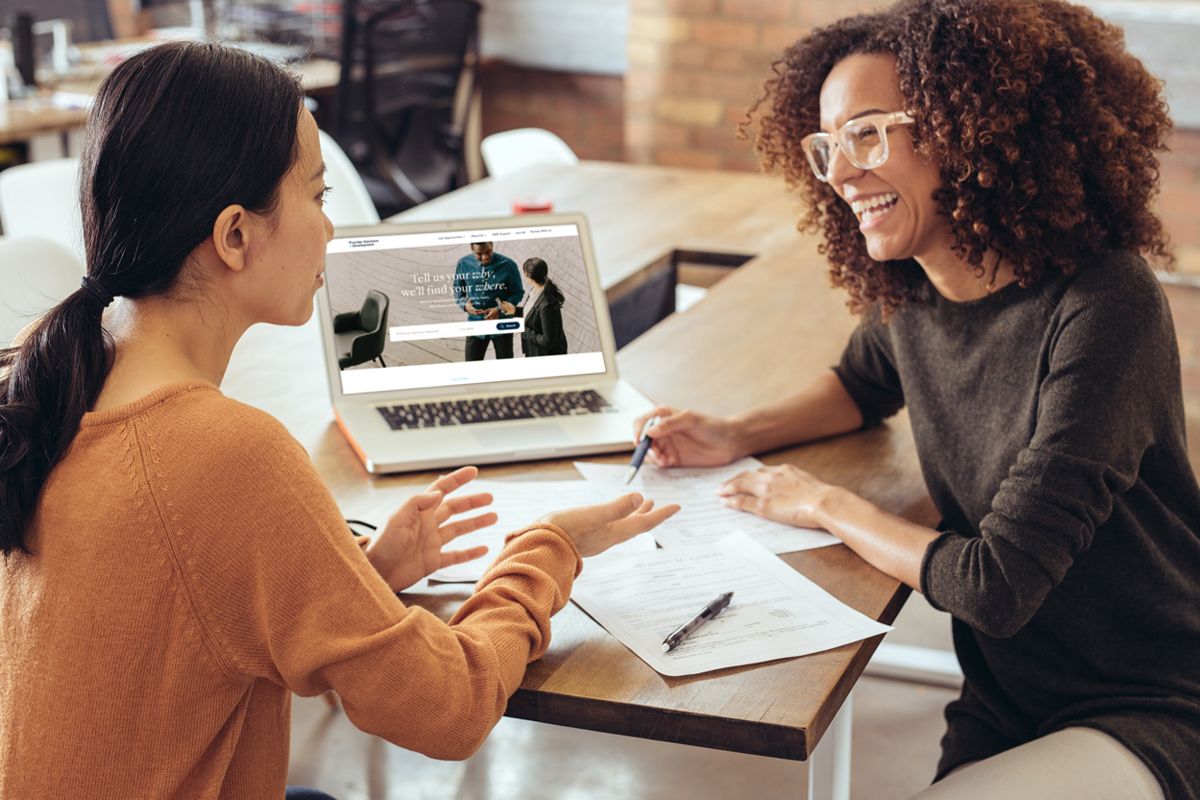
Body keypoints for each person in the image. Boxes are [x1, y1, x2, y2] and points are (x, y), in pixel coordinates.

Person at [0, 42, 678, 799]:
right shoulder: (223, 454)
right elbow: (446, 709)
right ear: (234, 236)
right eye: (319, 197)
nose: (332, 231)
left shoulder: (62, 382)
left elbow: (185, 625)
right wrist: (548, 550)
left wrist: (361, 576)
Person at [635, 1, 1200, 798]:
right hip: (1007, 696)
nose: (837, 172)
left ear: (971, 130)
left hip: (1148, 699)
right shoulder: (917, 288)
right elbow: (862, 383)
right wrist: (733, 432)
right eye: (827, 144)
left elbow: (993, 586)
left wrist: (824, 506)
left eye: (867, 133)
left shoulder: (1106, 304)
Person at [453, 241, 524, 361]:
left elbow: (518, 293)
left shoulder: (509, 265)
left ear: (492, 245)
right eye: (479, 254)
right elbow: (457, 290)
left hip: (502, 324)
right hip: (475, 325)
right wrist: (465, 305)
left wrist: (500, 310)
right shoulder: (463, 264)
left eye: (488, 252)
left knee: (506, 369)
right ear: (471, 248)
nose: (484, 257)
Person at [513, 256, 568, 357]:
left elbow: (548, 341)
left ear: (526, 274)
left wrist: (525, 331)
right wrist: (514, 311)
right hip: (535, 351)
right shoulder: (534, 292)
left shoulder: (547, 305)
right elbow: (532, 315)